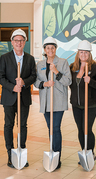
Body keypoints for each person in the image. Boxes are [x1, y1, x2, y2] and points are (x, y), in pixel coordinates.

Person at [0, 29, 37, 168]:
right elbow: (0, 77)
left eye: (21, 40)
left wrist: (24, 82)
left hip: (24, 98)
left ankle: (21, 152)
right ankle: (10, 153)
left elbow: (34, 76)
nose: (18, 43)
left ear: (25, 42)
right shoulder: (5, 58)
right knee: (8, 125)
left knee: (22, 126)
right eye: (16, 40)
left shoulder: (30, 59)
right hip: (9, 98)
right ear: (12, 42)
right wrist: (13, 86)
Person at [34, 37, 72, 170]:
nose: (50, 50)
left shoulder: (63, 62)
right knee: (50, 128)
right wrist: (44, 83)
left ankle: (57, 156)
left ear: (56, 49)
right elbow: (36, 81)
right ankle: (52, 152)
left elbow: (68, 81)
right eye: (48, 48)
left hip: (58, 101)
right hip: (45, 101)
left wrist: (56, 71)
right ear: (44, 50)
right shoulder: (40, 64)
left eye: (53, 47)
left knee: (55, 128)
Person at [69, 40, 96, 165]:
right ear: (78, 53)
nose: (83, 54)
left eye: (86, 52)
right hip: (76, 105)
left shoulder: (95, 67)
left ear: (90, 54)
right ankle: (84, 151)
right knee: (80, 129)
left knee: (87, 128)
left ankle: (90, 152)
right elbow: (69, 83)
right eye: (81, 52)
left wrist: (91, 81)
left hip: (90, 104)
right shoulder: (72, 68)